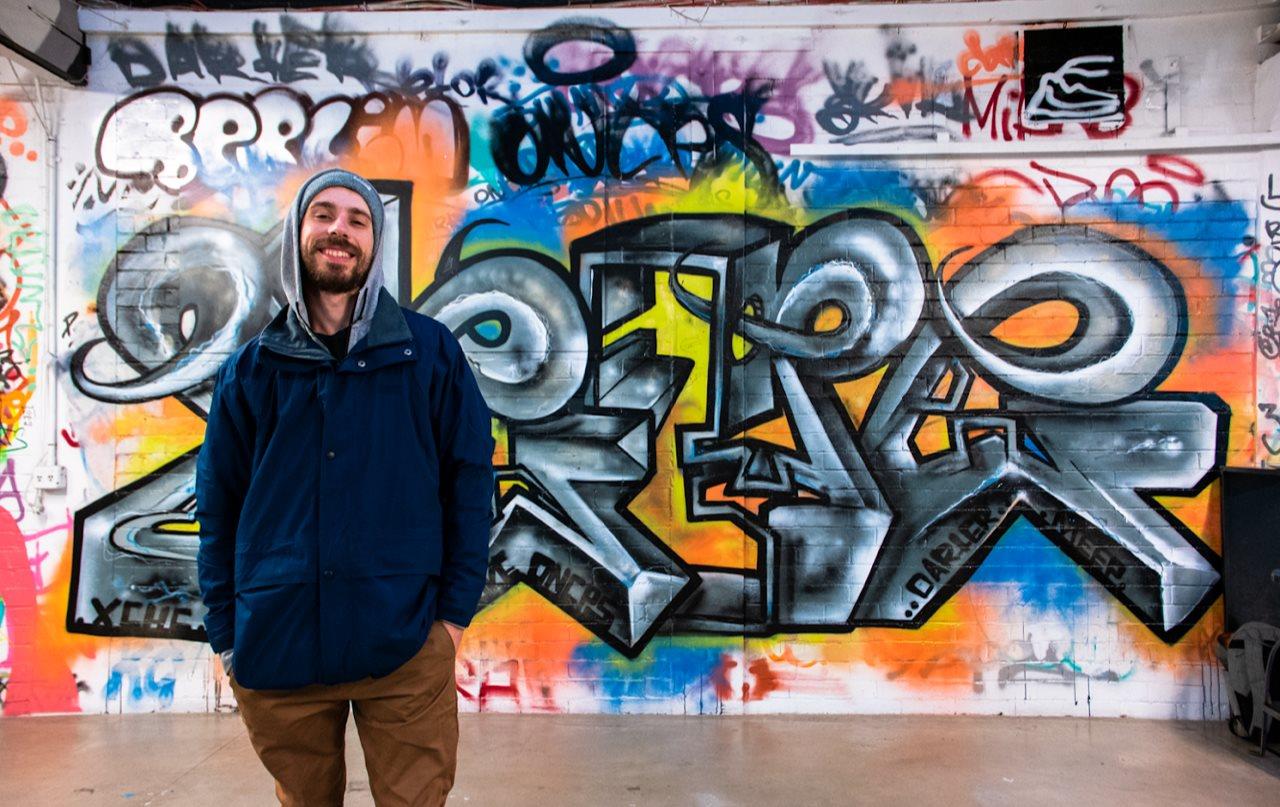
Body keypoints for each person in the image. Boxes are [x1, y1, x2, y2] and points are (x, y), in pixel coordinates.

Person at [196, 168, 495, 806]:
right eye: (324, 215)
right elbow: (218, 507)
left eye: (358, 220)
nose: (340, 230)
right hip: (280, 645)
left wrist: (451, 620)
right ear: (298, 234)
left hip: (405, 644)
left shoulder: (429, 355)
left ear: (374, 243)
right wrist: (227, 635)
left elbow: (470, 485)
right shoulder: (252, 371)